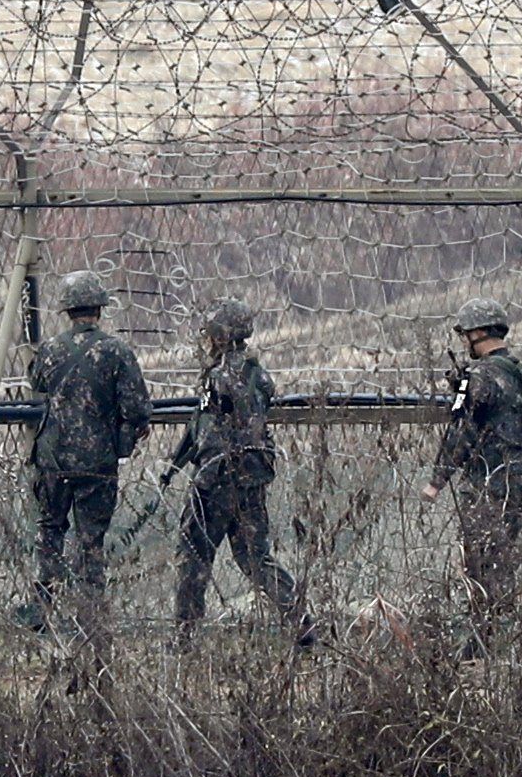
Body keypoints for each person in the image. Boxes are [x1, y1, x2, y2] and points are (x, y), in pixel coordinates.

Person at [165, 298, 313, 647]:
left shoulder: (219, 377)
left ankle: (185, 636)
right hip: (252, 477)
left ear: (218, 336)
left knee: (193, 554)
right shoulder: (257, 374)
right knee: (254, 557)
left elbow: (206, 430)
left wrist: (194, 467)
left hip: (217, 479)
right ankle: (300, 620)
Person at [21, 270, 153, 633]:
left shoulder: (50, 350)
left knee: (49, 532)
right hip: (97, 461)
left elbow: (38, 382)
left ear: (67, 310)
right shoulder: (116, 351)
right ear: (99, 307)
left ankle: (40, 611)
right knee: (90, 541)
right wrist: (121, 444)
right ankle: (90, 618)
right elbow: (137, 409)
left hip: (52, 459)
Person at [424, 294, 522, 597]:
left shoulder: (477, 377)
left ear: (478, 333)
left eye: (465, 335)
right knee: (503, 559)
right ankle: (502, 620)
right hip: (519, 478)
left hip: (486, 482)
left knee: (480, 566)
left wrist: (437, 481)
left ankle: (486, 630)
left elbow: (461, 429)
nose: (464, 342)